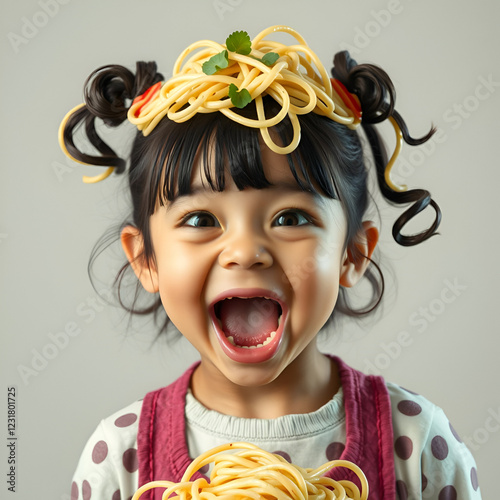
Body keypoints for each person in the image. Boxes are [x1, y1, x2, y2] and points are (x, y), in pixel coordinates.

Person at [59, 26, 480, 500]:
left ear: (352, 253)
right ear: (145, 259)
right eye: (200, 219)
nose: (245, 251)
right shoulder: (120, 455)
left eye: (290, 217)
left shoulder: (418, 443)